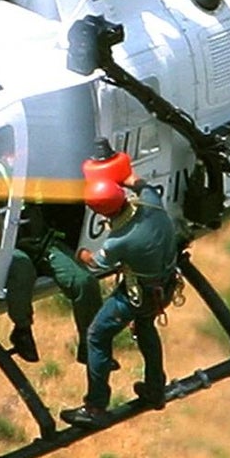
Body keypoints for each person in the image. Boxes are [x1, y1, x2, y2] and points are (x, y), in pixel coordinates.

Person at [60, 170, 180, 429]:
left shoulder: (119, 240)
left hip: (138, 296)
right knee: (146, 326)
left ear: (102, 213)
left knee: (96, 336)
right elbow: (139, 182)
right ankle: (155, 389)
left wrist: (79, 252)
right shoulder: (152, 203)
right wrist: (115, 172)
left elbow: (95, 265)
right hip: (166, 286)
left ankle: (95, 407)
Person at [5, 207, 102, 364]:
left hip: (42, 242)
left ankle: (91, 345)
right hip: (6, 249)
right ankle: (22, 330)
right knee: (22, 272)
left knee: (84, 281)